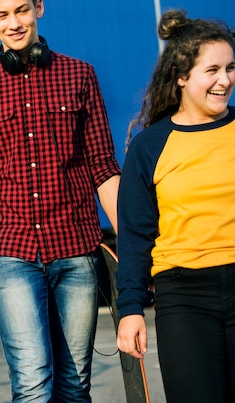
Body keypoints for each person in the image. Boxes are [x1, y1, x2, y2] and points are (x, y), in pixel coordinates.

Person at [0, 0, 121, 401]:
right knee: (33, 384)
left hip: (76, 250)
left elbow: (103, 167)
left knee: (73, 385)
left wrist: (134, 251)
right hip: (10, 253)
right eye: (2, 14)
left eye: (22, 10)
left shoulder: (80, 75)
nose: (14, 23)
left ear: (39, 8)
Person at [116, 9, 235, 403]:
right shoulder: (150, 146)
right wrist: (131, 308)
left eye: (231, 68)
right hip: (183, 299)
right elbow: (135, 236)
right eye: (213, 70)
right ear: (181, 76)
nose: (225, 80)